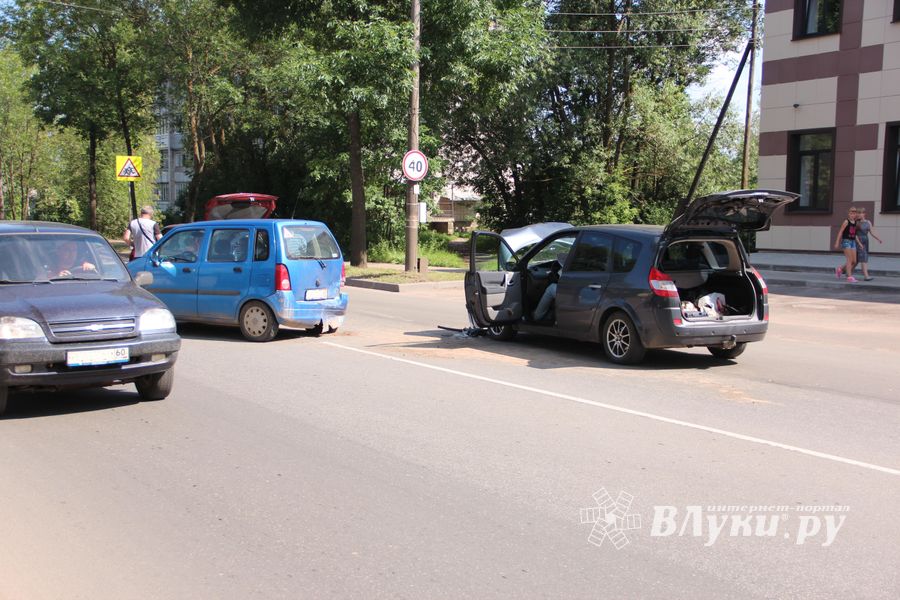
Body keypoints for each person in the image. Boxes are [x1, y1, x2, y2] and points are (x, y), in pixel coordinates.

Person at [833, 207, 860, 283]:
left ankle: (840, 269)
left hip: (853, 242)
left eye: (854, 213)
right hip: (846, 241)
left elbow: (855, 234)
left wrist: (859, 243)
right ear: (848, 214)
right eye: (851, 213)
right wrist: (837, 242)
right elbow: (840, 232)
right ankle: (849, 277)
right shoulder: (846, 222)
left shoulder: (855, 222)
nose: (853, 215)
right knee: (849, 260)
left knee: (854, 261)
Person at [854, 207, 882, 281]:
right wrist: (859, 243)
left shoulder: (868, 222)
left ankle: (844, 270)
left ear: (864, 214)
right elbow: (854, 235)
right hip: (858, 241)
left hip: (865, 241)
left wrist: (878, 239)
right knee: (863, 258)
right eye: (858, 213)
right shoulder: (856, 222)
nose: (859, 214)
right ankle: (866, 276)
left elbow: (872, 232)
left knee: (856, 260)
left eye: (861, 213)